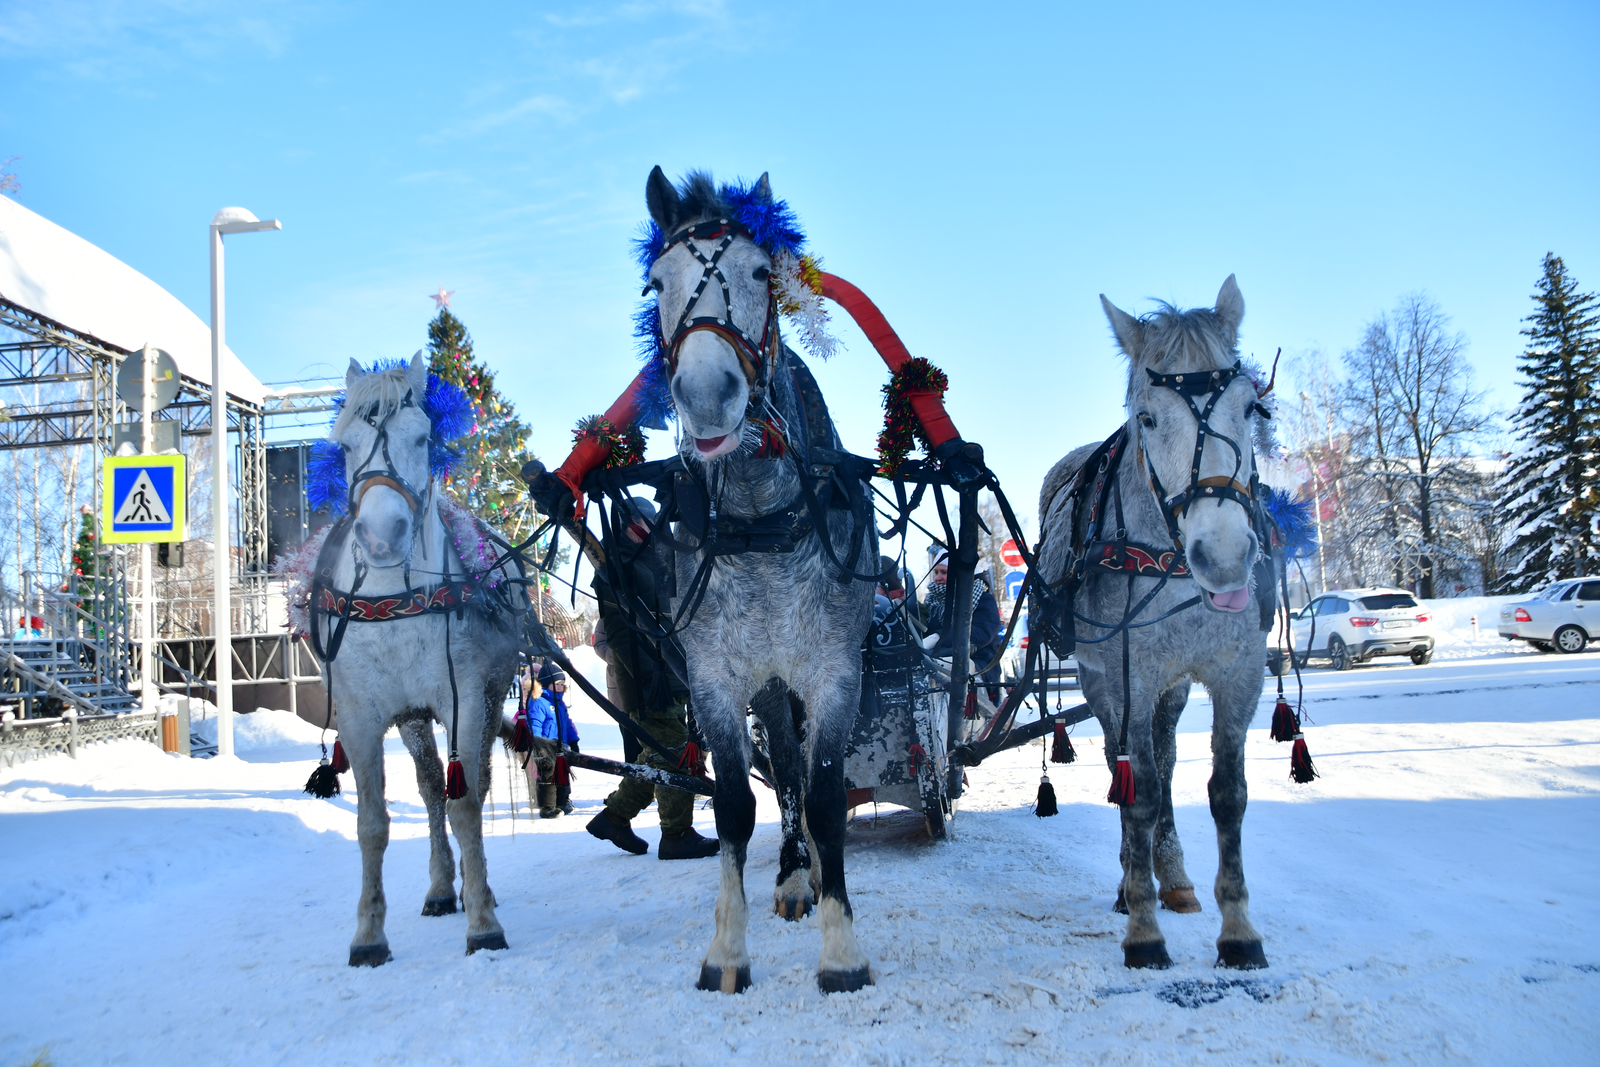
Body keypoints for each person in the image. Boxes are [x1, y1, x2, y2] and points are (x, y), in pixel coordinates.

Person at [584, 496, 719, 861]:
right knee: (674, 754)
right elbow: (625, 638)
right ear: (627, 523)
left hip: (670, 674)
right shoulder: (617, 568)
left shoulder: (650, 561)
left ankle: (614, 817)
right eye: (644, 520)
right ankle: (676, 835)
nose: (651, 527)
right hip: (650, 683)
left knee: (657, 758)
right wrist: (656, 677)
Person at [921, 550, 1005, 704]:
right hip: (938, 657)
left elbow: (982, 631)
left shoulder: (982, 598)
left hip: (980, 660)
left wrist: (938, 638)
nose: (938, 577)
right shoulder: (932, 602)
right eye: (936, 572)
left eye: (944, 572)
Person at [525, 661, 579, 816]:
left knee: (563, 774)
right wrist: (537, 744)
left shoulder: (560, 703)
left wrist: (573, 741)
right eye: (557, 684)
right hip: (545, 748)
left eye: (563, 684)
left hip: (561, 747)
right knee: (548, 776)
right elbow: (535, 724)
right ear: (546, 684)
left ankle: (563, 802)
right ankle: (548, 807)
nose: (561, 687)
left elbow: (567, 725)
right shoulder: (539, 702)